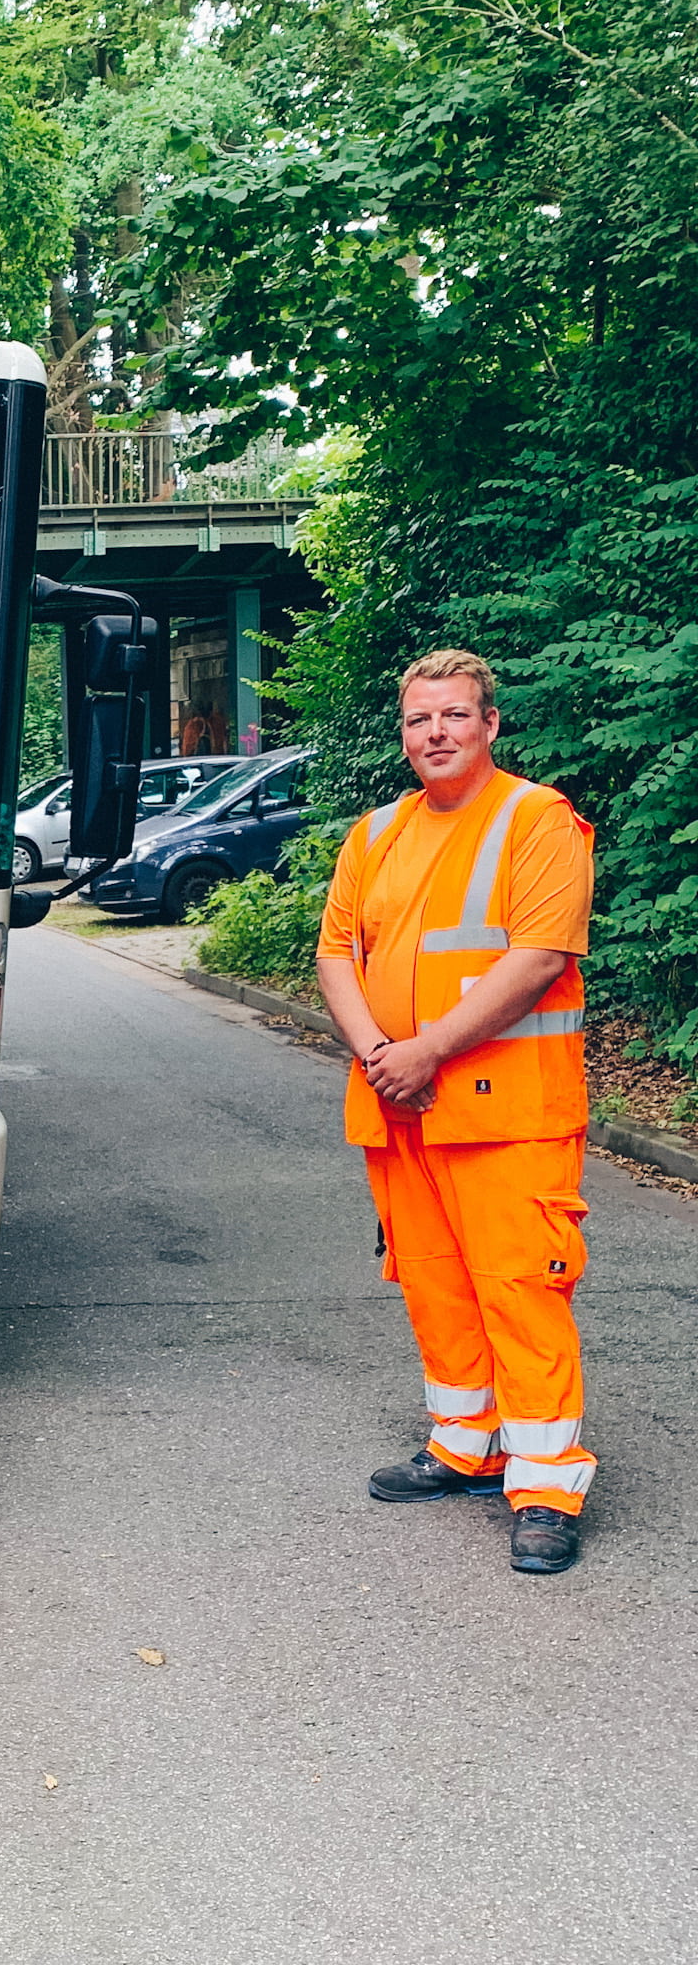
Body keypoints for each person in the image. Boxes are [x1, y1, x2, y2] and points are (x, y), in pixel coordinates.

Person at [316, 651, 597, 1575]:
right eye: (417, 720)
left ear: (490, 725)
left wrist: (425, 1051)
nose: (434, 733)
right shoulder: (378, 833)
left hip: (506, 1111)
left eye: (454, 716)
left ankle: (548, 1482)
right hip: (400, 1106)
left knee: (521, 1289)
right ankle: (464, 1444)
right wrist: (377, 1055)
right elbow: (336, 957)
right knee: (435, 1287)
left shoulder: (534, 820)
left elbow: (539, 958)